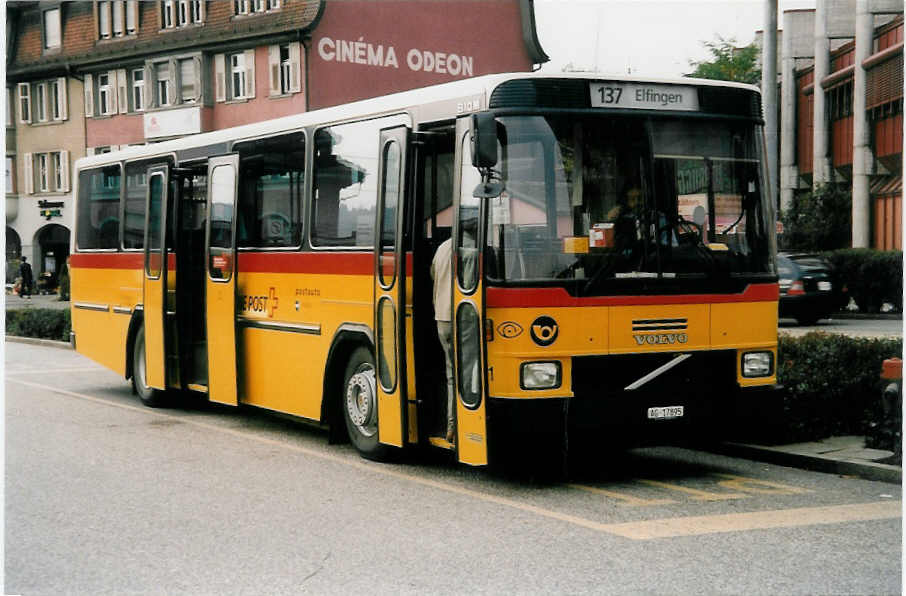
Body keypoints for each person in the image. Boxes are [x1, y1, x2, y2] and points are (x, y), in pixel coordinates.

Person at [431, 235, 456, 443]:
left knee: (452, 374)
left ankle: (452, 425)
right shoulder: (471, 249)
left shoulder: (442, 247)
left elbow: (433, 275)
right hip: (461, 319)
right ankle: (454, 426)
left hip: (442, 317)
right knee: (466, 374)